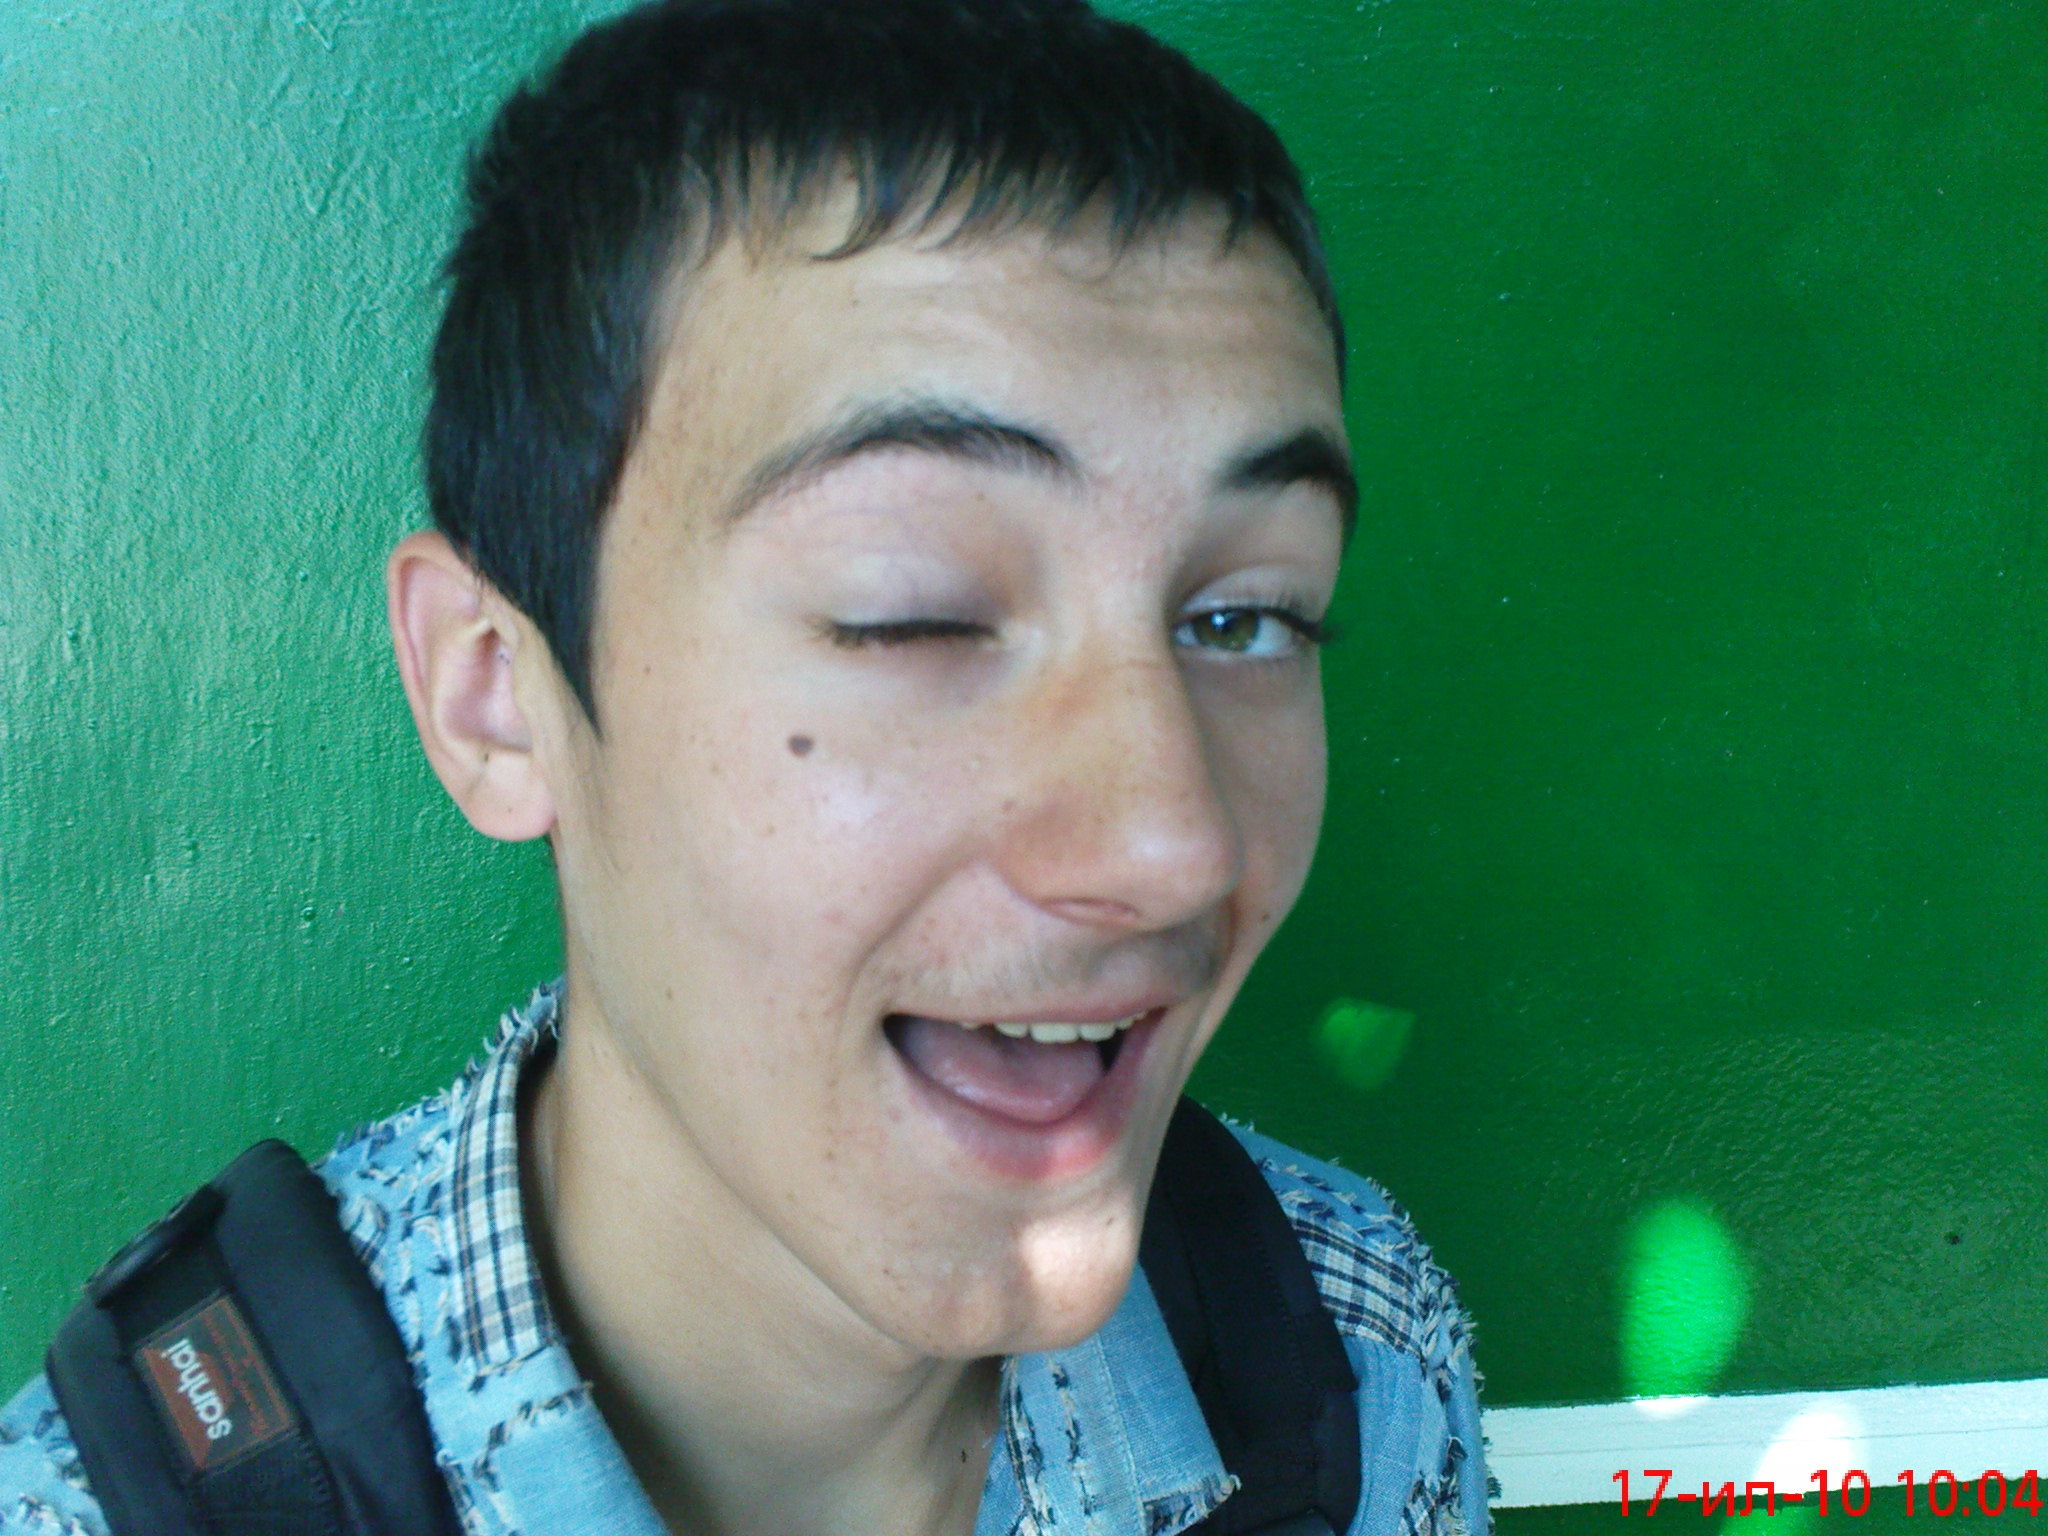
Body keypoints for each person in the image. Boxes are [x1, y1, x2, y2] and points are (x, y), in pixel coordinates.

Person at [0, 2, 1488, 1532]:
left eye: (1247, 616)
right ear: (496, 696)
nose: (1178, 846)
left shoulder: (1352, 1353)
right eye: (913, 610)